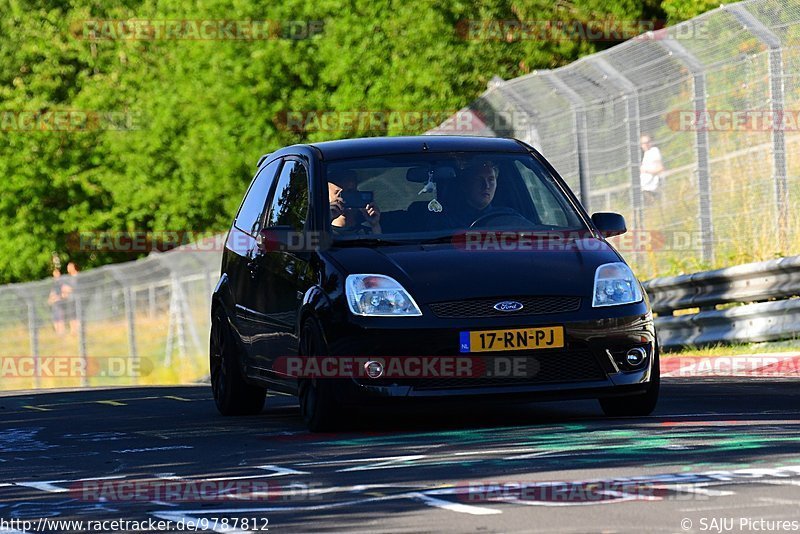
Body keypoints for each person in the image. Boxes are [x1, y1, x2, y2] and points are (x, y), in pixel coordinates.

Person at [640, 134, 664, 204]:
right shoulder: (646, 154)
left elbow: (660, 168)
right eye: (643, 143)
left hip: (652, 188)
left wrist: (646, 171)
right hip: (644, 187)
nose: (646, 144)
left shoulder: (654, 151)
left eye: (648, 142)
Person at [61, 261, 81, 334]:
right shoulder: (69, 278)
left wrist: (68, 289)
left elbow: (75, 287)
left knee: (77, 314)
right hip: (70, 299)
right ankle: (73, 331)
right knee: (71, 315)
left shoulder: (78, 276)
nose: (68, 268)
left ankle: (78, 330)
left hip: (77, 299)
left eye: (69, 267)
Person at [47, 268, 66, 335]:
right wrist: (50, 299)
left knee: (60, 317)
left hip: (60, 302)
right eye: (54, 274)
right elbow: (52, 292)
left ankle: (61, 332)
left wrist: (59, 297)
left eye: (57, 273)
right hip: (54, 303)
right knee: (55, 318)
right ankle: (57, 332)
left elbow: (64, 292)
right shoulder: (54, 283)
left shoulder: (62, 282)